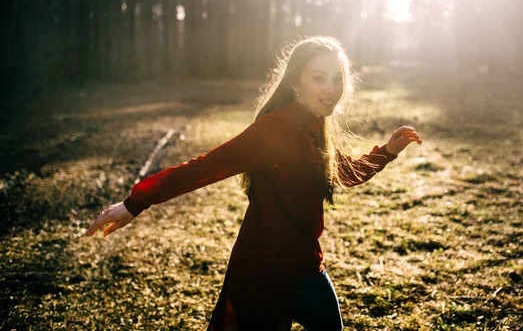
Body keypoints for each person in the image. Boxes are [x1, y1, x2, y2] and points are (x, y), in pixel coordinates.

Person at [85, 35, 422, 330]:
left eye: (337, 78)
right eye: (319, 78)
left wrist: (387, 152)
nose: (332, 89)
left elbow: (341, 172)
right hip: (263, 267)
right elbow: (202, 168)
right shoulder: (274, 129)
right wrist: (134, 203)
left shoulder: (313, 125)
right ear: (295, 84)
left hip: (304, 264)